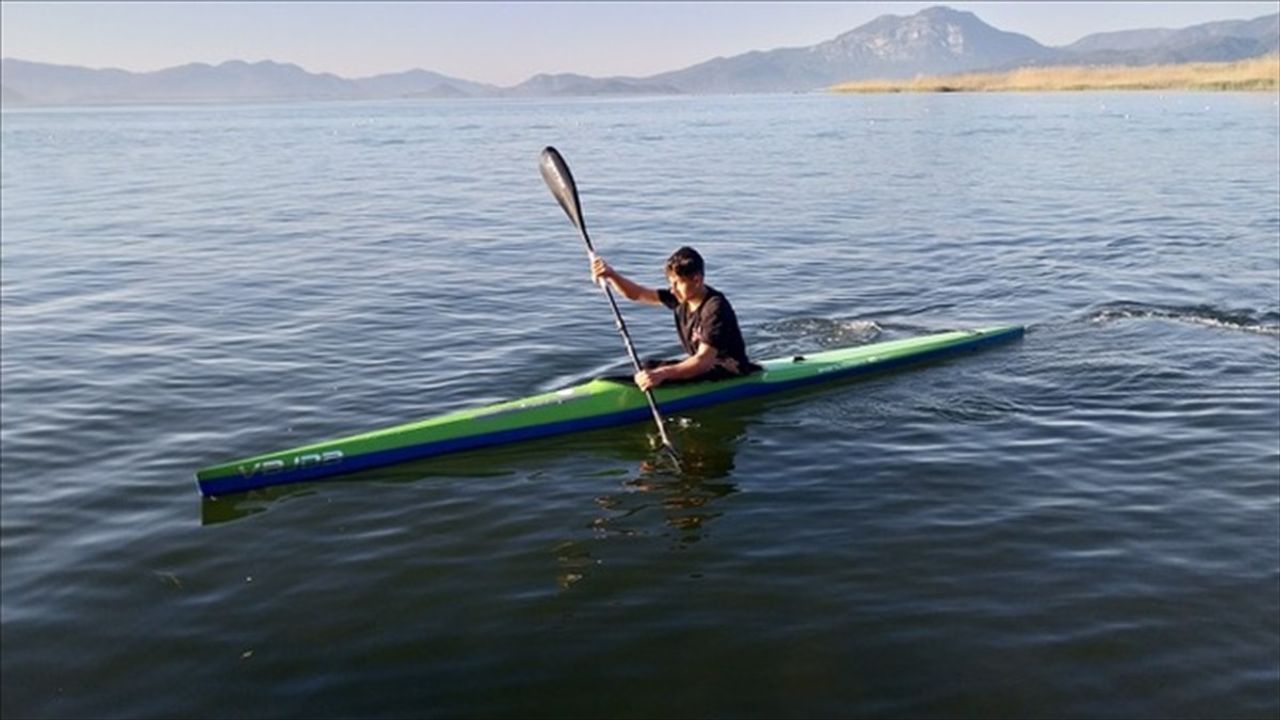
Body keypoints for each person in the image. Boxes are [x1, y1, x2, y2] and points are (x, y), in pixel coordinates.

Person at [590, 246, 759, 391]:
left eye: (677, 283)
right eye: (671, 283)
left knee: (662, 374)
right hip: (704, 364)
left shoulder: (715, 308)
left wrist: (662, 374)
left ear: (697, 279)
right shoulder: (680, 297)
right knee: (647, 366)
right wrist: (611, 275)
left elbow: (703, 362)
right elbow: (638, 293)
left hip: (729, 369)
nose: (672, 289)